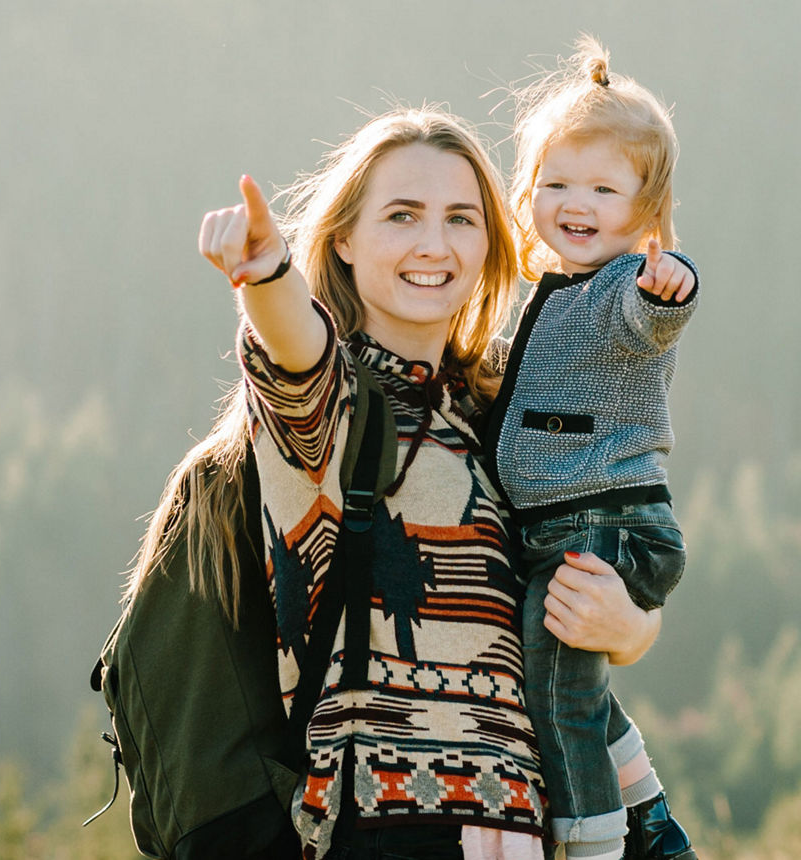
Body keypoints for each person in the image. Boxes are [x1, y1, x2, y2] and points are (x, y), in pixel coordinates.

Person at [131, 106, 659, 860]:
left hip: (527, 829)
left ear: (489, 242)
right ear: (344, 238)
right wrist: (267, 275)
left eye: (460, 219)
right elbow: (295, 348)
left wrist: (632, 630)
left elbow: (612, 550)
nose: (433, 245)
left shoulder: (514, 405)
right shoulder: (328, 411)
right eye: (402, 216)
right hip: (381, 826)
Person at [482, 38, 698, 860]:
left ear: (646, 212)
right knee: (575, 692)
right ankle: (648, 817)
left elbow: (657, 319)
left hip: (599, 525)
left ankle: (593, 847)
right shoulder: (555, 291)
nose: (576, 203)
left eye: (604, 189)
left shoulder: (620, 290)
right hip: (565, 527)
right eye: (556, 183)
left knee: (559, 703)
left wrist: (669, 286)